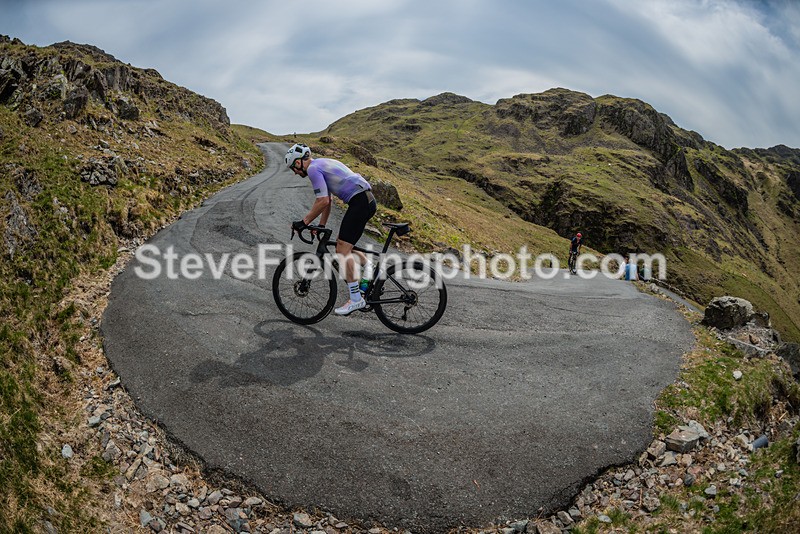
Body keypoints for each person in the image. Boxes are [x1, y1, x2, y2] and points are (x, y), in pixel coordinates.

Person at [285, 143, 377, 315]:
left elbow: (323, 201)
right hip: (366, 200)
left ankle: (356, 299)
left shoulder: (312, 169)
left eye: (293, 168)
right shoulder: (320, 164)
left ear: (298, 163)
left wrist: (303, 223)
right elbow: (327, 199)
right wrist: (321, 225)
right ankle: (369, 267)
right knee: (345, 245)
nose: (295, 173)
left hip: (360, 201)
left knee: (342, 249)